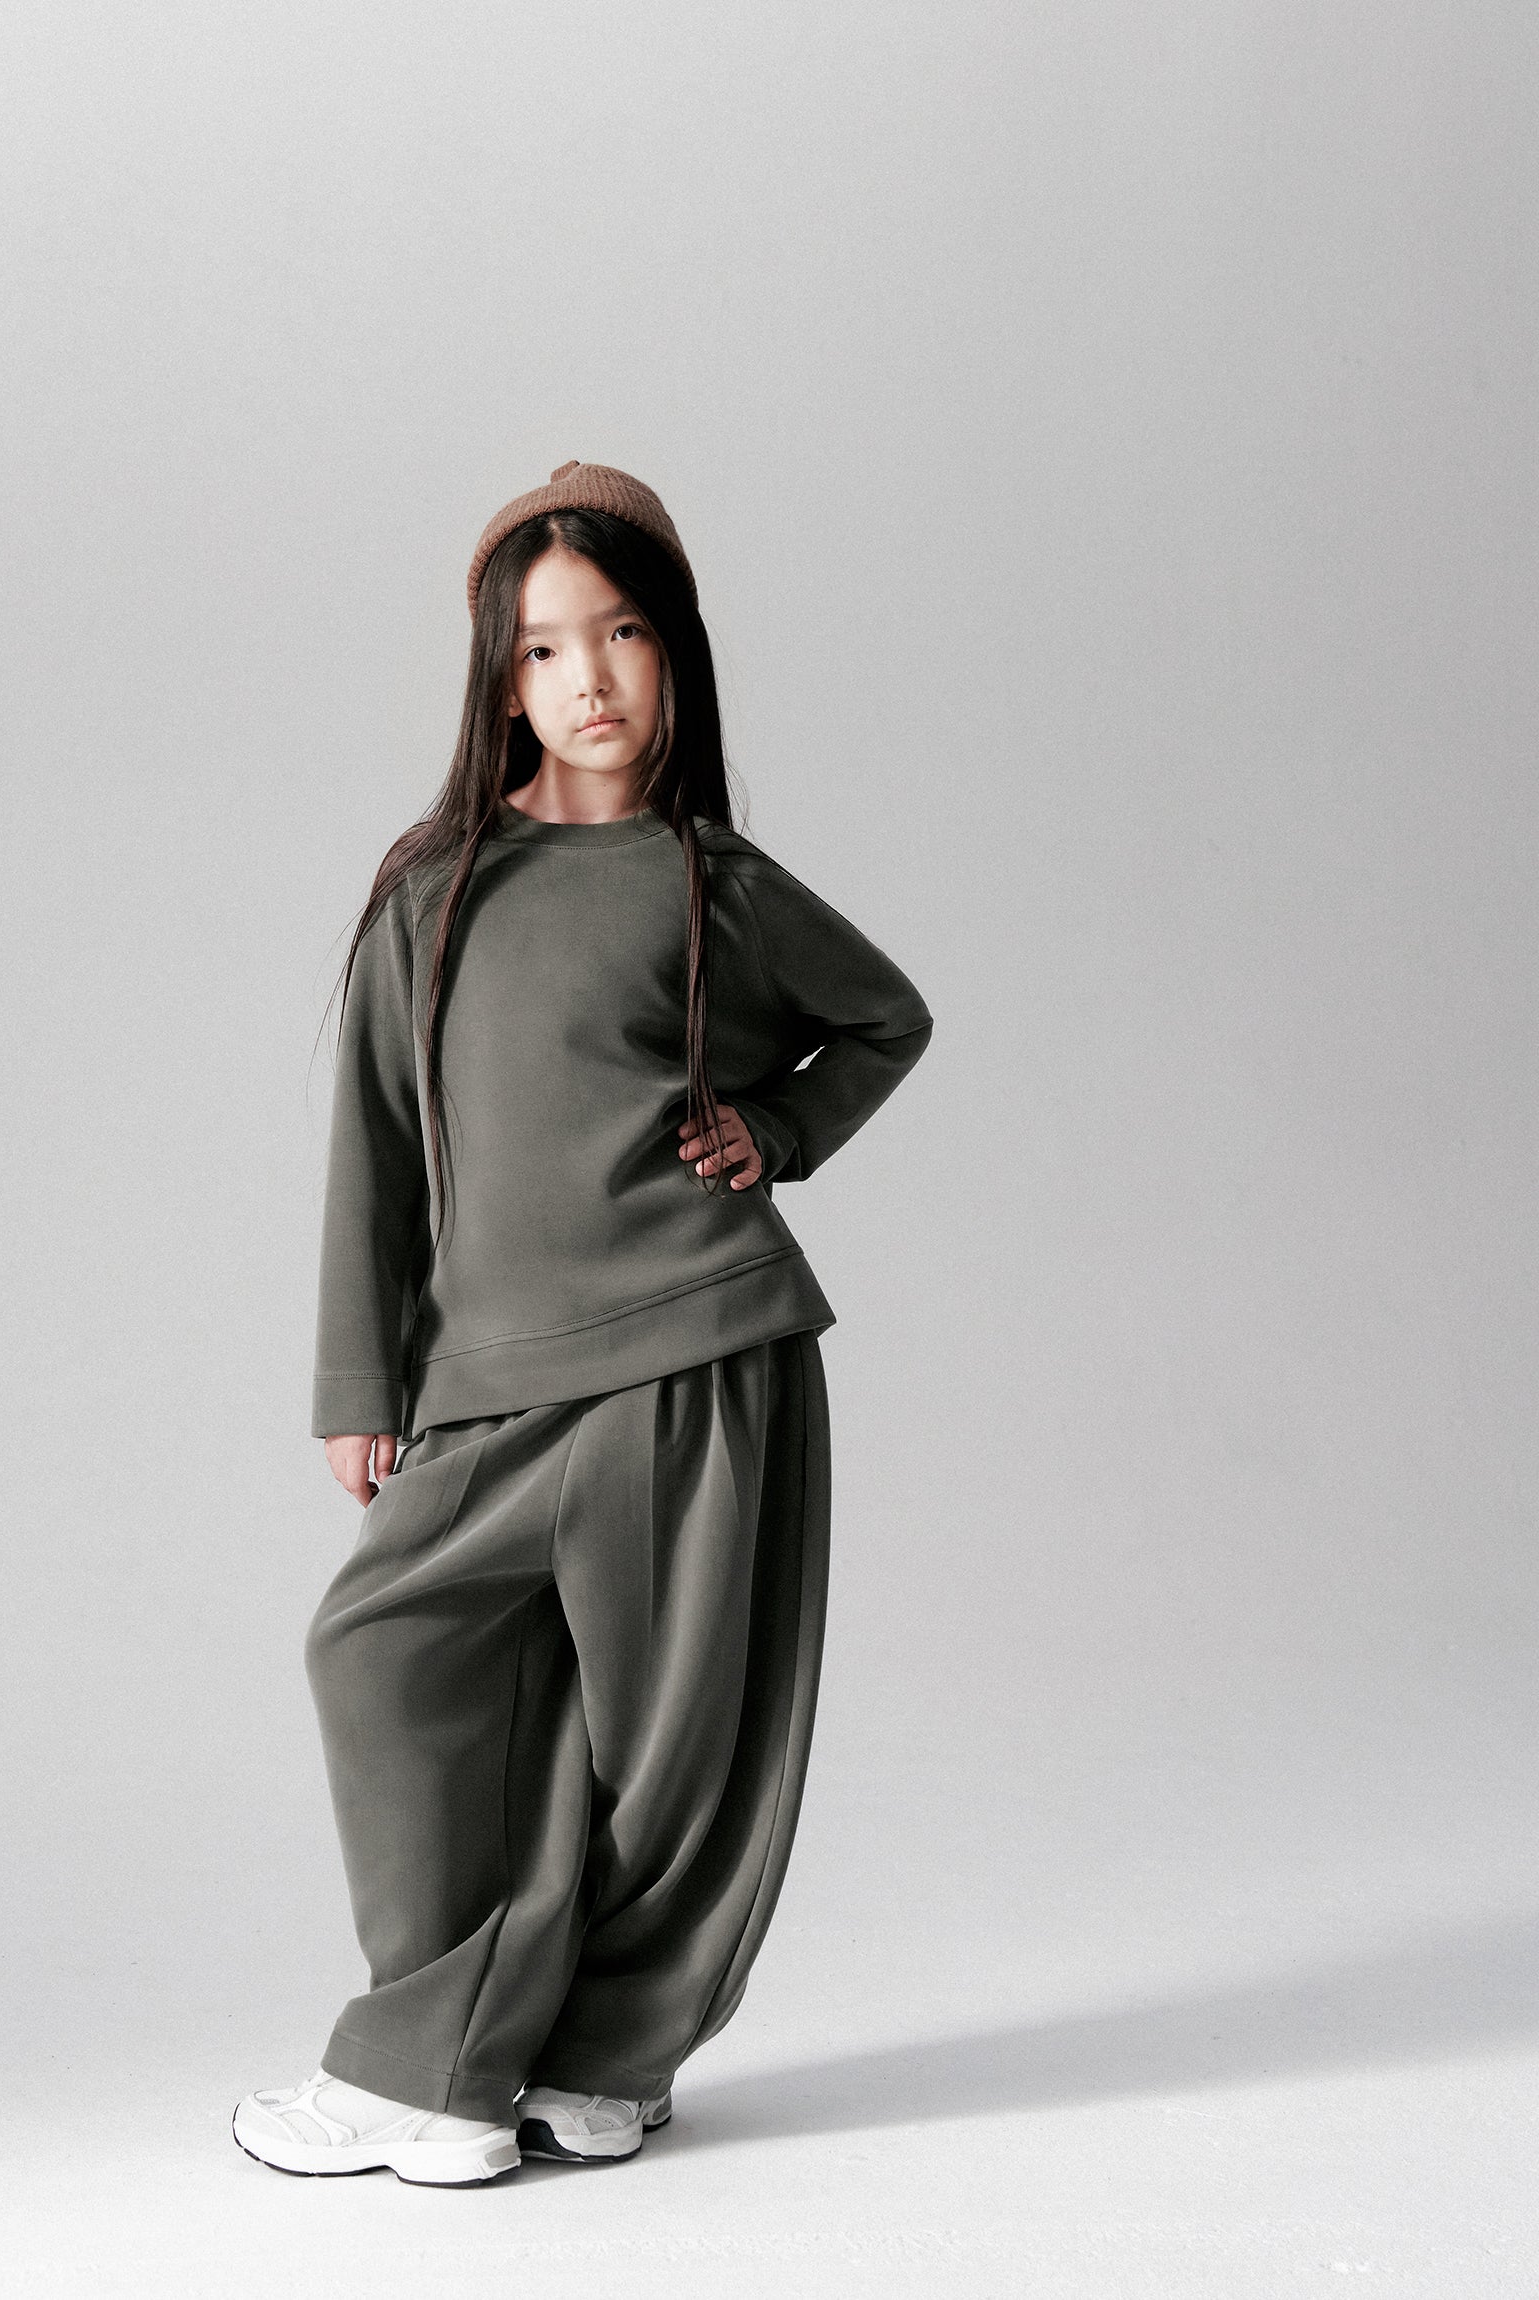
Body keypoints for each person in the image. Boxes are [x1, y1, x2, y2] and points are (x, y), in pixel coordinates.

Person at [233, 461, 933, 2185]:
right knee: (381, 1657)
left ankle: (601, 2056)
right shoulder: (433, 890)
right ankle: (432, 2051)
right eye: (545, 650)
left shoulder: (712, 884)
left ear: (673, 651)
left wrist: (774, 1129)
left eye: (620, 635)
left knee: (667, 1744)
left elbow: (883, 1020)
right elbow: (377, 1149)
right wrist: (358, 1378)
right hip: (488, 1383)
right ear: (501, 683)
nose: (589, 679)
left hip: (697, 1357)